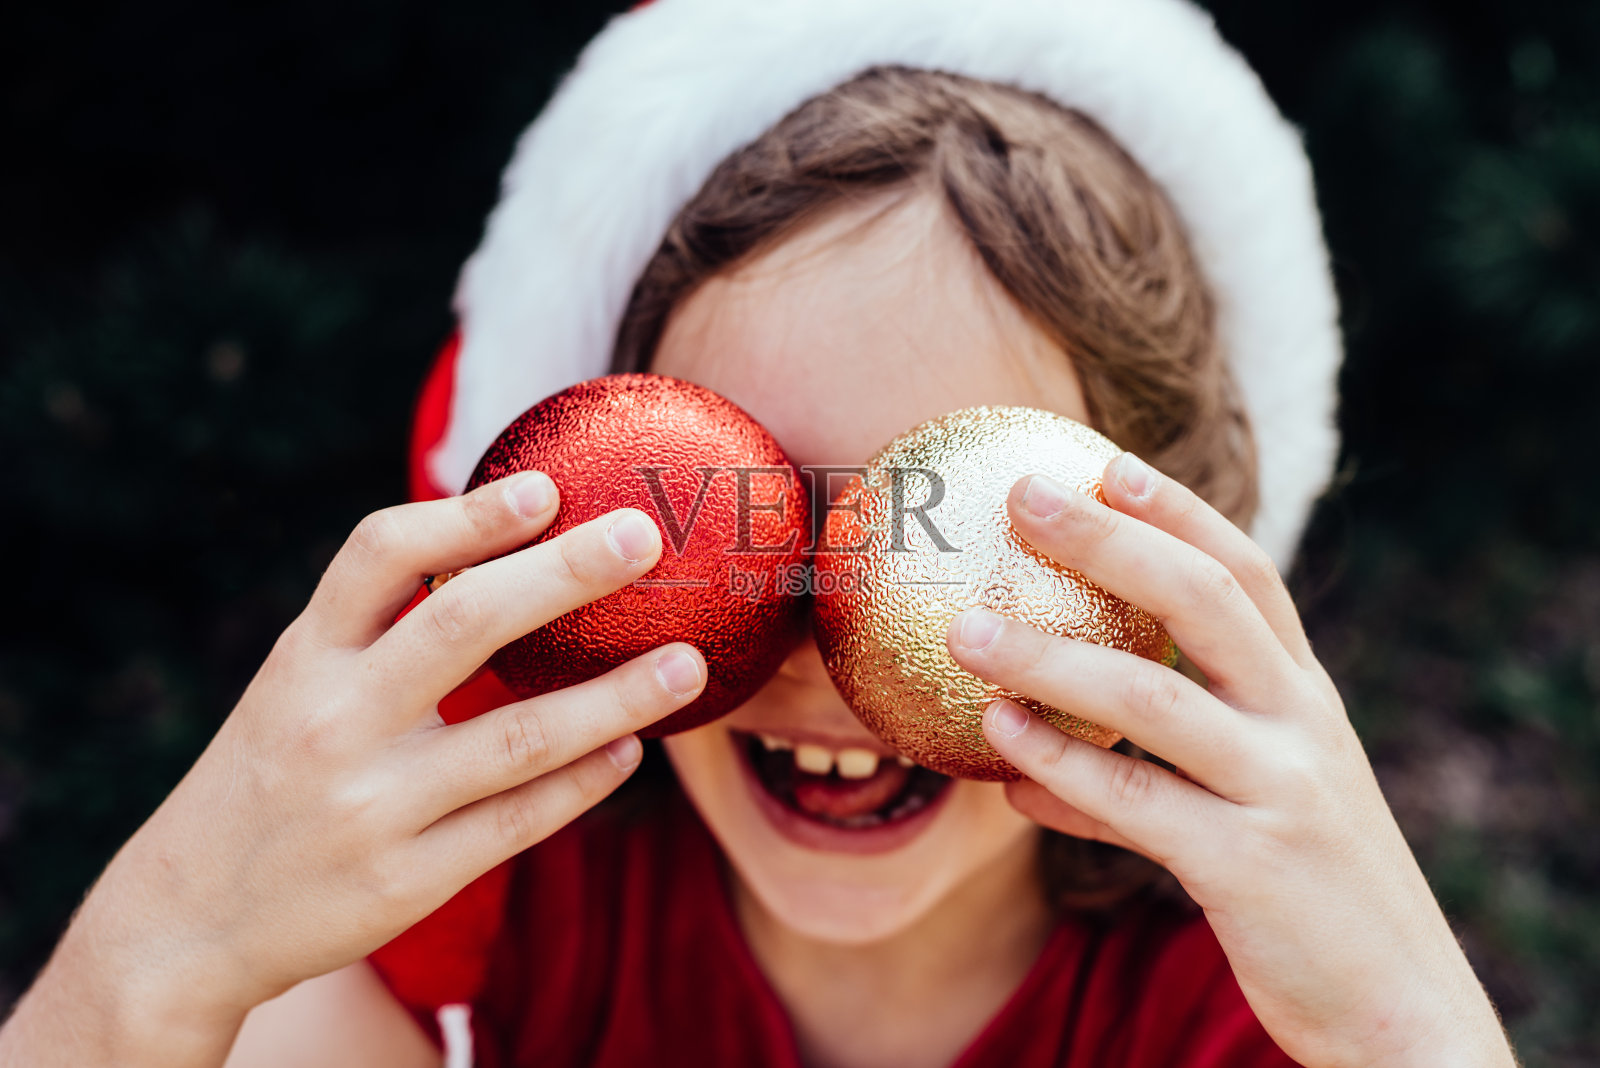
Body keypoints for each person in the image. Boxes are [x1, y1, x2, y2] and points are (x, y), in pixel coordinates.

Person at [0, 1, 1519, 1066]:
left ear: (1159, 588)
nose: (825, 640)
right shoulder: (499, 918)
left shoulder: (1247, 1013)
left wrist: (1416, 1037)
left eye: (949, 535)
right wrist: (160, 956)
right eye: (711, 518)